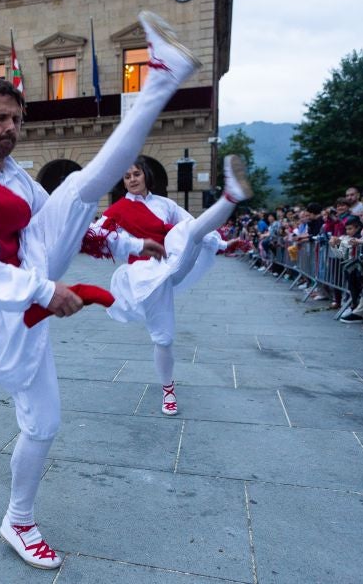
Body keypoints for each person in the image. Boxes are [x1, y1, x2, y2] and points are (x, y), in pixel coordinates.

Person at [0, 11, 198, 570]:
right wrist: (44, 290)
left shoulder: (14, 175)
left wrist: (131, 248)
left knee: (78, 188)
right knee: (43, 419)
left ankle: (17, 520)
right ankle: (163, 78)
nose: (10, 128)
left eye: (16, 119)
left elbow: (62, 218)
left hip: (30, 281)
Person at [81, 154, 252, 415]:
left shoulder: (165, 204)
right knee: (164, 338)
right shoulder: (116, 210)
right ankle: (168, 389)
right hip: (145, 274)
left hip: (173, 258)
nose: (132, 179)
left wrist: (223, 244)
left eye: (136, 174)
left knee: (190, 231)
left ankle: (230, 196)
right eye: (126, 177)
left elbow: (192, 225)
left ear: (146, 175)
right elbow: (95, 233)